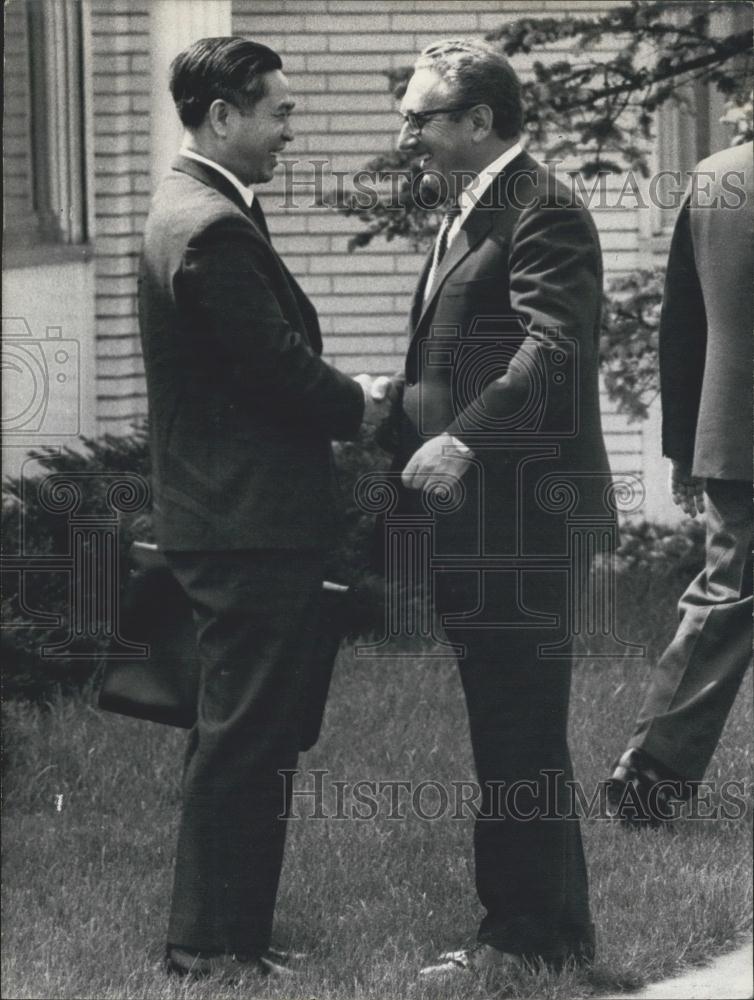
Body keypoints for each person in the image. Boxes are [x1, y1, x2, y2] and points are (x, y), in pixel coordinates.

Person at [138, 36, 387, 980]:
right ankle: (208, 947)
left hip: (228, 517)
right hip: (249, 525)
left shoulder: (193, 208)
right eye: (279, 111)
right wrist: (359, 404)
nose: (292, 128)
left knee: (242, 734)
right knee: (247, 741)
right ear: (223, 116)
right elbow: (273, 370)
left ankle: (225, 937)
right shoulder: (211, 227)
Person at [383, 38, 612, 979]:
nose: (406, 134)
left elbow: (549, 351)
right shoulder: (468, 209)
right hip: (480, 518)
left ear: (479, 121)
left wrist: (463, 437)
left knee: (518, 727)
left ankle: (528, 941)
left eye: (420, 118)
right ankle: (536, 933)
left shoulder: (543, 210)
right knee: (508, 726)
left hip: (522, 514)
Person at [607, 142, 753, 826]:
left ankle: (649, 768)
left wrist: (684, 448)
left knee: (726, 598)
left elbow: (682, 325)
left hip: (735, 433)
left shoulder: (716, 176)